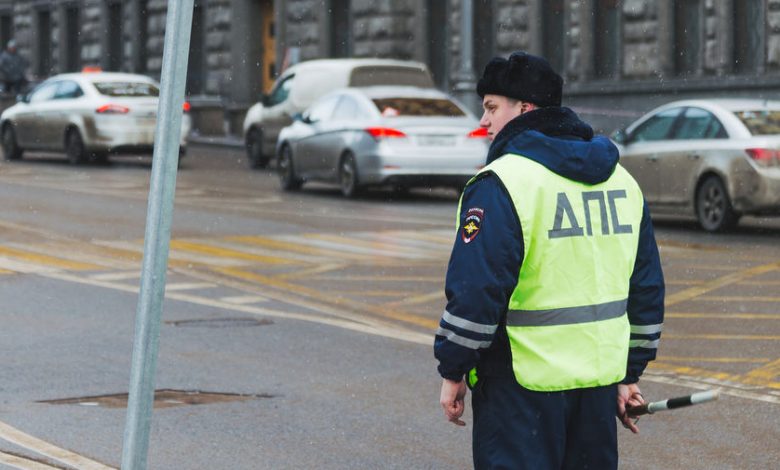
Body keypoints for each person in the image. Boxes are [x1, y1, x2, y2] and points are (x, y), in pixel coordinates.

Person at [434, 51, 665, 469]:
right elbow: (645, 287)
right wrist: (630, 373)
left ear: (524, 109)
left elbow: (476, 292)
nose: (483, 121)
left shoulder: (503, 183)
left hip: (520, 386)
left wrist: (454, 370)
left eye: (491, 107)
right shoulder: (622, 182)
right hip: (596, 386)